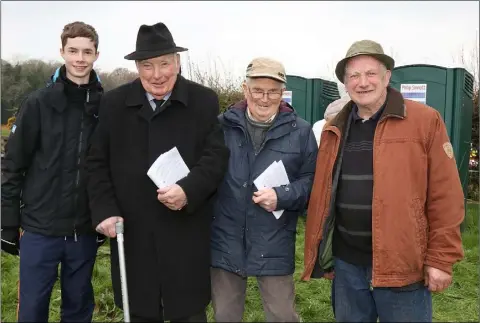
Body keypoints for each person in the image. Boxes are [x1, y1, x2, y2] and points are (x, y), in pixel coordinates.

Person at [302, 39, 465, 322]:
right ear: (345, 82)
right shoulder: (335, 128)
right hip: (347, 263)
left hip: (402, 264)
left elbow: (446, 194)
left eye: (370, 73)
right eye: (354, 76)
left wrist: (441, 259)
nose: (362, 82)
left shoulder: (424, 120)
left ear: (387, 76)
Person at [86, 22, 230, 322]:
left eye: (165, 63)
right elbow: (96, 162)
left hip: (185, 232)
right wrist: (105, 211)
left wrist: (188, 190)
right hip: (134, 232)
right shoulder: (114, 104)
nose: (157, 74)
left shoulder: (203, 101)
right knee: (140, 309)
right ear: (137, 66)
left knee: (188, 311)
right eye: (147, 65)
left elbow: (215, 157)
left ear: (177, 62)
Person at [1, 21, 105, 321]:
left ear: (96, 54)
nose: (80, 58)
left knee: (78, 309)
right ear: (62, 52)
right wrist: (8, 223)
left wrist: (101, 215)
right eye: (73, 51)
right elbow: (12, 165)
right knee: (32, 310)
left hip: (83, 230)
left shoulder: (105, 105)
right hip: (39, 228)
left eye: (87, 51)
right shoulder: (38, 103)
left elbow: (108, 168)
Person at [210, 57, 318, 322]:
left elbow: (312, 181)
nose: (264, 98)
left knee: (282, 315)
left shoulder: (301, 132)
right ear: (245, 90)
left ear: (283, 93)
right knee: (225, 315)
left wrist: (283, 196)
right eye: (257, 90)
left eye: (273, 91)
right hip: (226, 239)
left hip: (274, 240)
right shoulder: (221, 127)